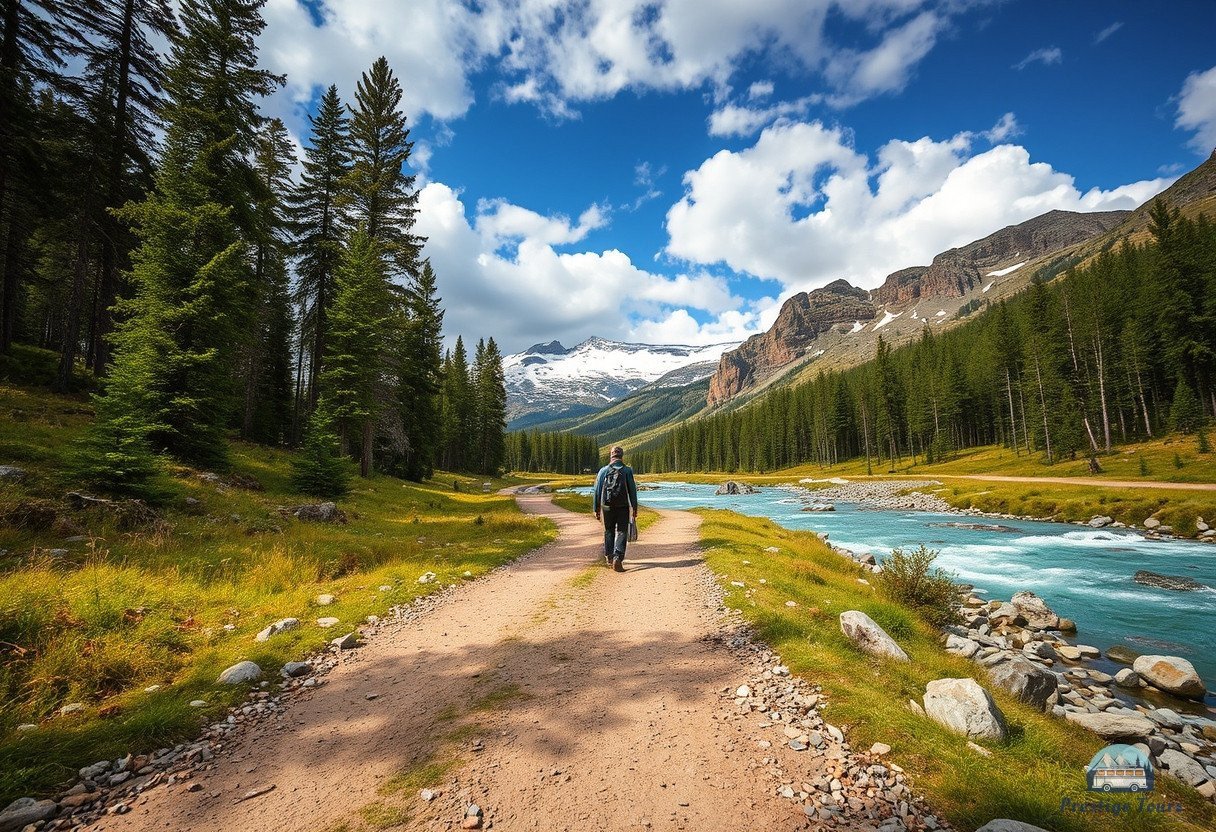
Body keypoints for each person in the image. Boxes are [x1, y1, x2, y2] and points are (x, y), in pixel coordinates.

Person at [593, 445, 638, 572]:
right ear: (621, 456)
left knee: (609, 531)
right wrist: (634, 508)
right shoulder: (627, 471)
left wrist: (596, 508)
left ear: (611, 455)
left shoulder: (603, 470)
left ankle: (609, 557)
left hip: (606, 506)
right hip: (623, 506)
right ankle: (618, 557)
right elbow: (632, 491)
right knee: (622, 531)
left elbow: (597, 491)